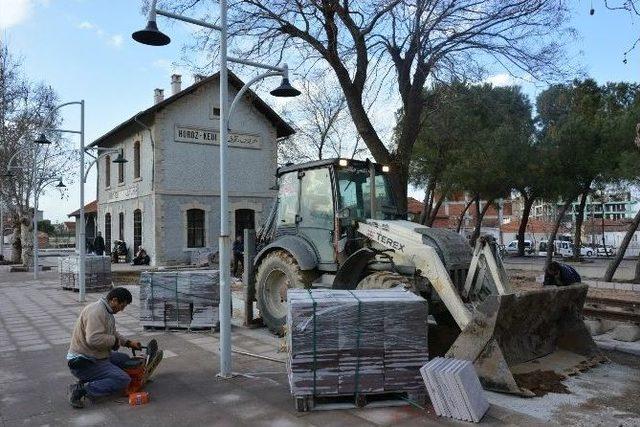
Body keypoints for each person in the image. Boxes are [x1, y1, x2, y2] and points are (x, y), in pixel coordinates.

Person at [67, 287, 141, 408]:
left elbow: (112, 333)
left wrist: (128, 342)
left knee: (124, 359)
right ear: (114, 300)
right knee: (123, 379)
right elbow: (93, 339)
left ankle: (90, 381)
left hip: (95, 355)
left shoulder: (106, 310)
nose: (122, 309)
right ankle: (80, 390)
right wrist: (114, 341)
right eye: (122, 306)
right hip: (84, 362)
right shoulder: (97, 312)